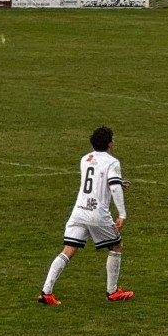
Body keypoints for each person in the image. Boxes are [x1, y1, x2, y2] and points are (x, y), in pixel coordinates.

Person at [38, 126, 134, 305]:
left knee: (68, 250)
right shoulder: (112, 162)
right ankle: (112, 291)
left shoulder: (85, 159)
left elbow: (96, 178)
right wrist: (122, 214)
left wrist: (118, 181)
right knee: (116, 245)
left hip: (79, 211)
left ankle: (46, 292)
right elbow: (112, 187)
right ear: (109, 143)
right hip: (97, 213)